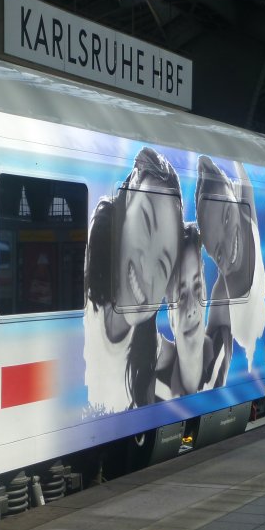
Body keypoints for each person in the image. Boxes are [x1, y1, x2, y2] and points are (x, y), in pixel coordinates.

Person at [84, 147, 183, 414]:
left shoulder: (154, 353)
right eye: (147, 224)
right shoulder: (83, 290)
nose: (148, 272)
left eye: (163, 264)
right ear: (126, 204)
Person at [195, 156, 265, 372]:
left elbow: (245, 180)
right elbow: (208, 351)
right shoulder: (221, 297)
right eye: (218, 253)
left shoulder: (247, 215)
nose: (228, 246)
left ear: (235, 199)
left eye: (226, 217)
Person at [154, 224, 231, 400]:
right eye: (181, 296)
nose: (191, 308)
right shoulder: (156, 387)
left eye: (197, 287)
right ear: (170, 317)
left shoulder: (221, 352)